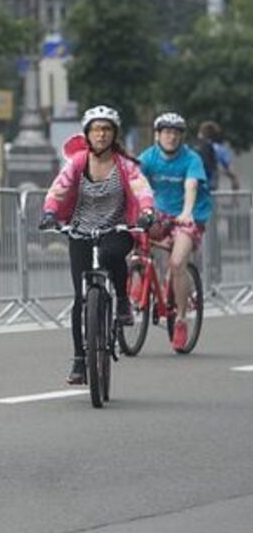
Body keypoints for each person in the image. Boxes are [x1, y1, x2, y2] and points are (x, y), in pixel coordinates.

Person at [39, 106, 155, 385]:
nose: (101, 134)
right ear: (87, 134)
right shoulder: (78, 162)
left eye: (106, 129)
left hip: (117, 229)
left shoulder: (125, 165)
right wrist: (50, 212)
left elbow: (141, 189)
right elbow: (58, 188)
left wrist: (147, 212)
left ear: (114, 134)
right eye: (95, 129)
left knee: (111, 254)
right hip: (80, 231)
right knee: (80, 299)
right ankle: (80, 360)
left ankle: (124, 303)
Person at [139, 112, 211, 351]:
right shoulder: (148, 157)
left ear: (181, 137)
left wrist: (187, 212)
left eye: (176, 133)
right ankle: (138, 278)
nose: (171, 137)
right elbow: (134, 181)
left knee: (177, 262)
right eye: (167, 132)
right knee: (129, 235)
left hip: (189, 216)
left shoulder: (192, 159)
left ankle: (180, 319)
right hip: (160, 215)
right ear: (157, 135)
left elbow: (191, 186)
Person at [195, 120, 240, 191]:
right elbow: (230, 171)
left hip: (195, 185)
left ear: (201, 134)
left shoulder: (194, 149)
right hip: (211, 186)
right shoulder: (220, 149)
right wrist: (234, 181)